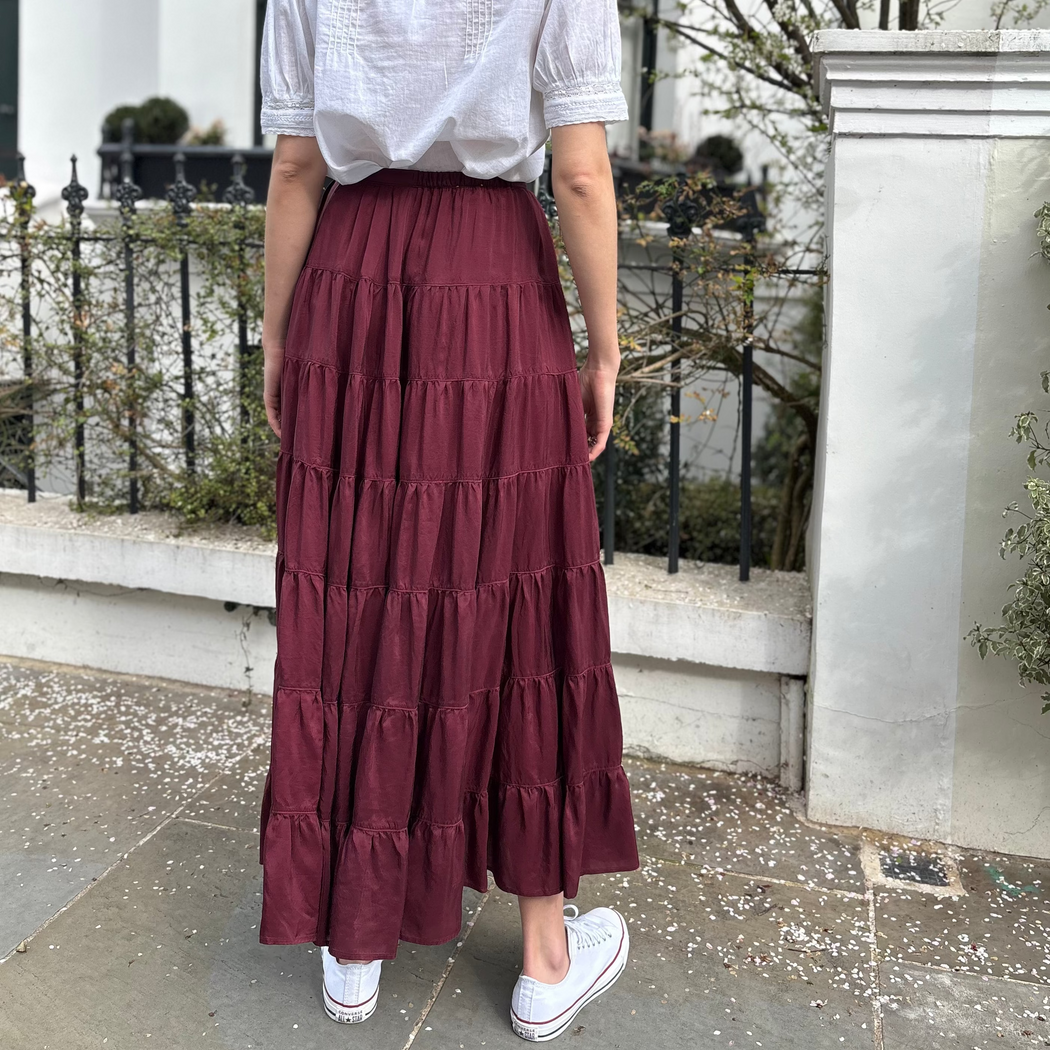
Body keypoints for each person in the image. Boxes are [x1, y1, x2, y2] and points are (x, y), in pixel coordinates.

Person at [256, 0, 640, 1040]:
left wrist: (281, 338)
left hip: (350, 283)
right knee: (516, 595)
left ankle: (354, 947)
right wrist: (605, 350)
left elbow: (297, 166)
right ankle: (547, 960)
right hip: (492, 286)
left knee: (357, 595)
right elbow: (580, 174)